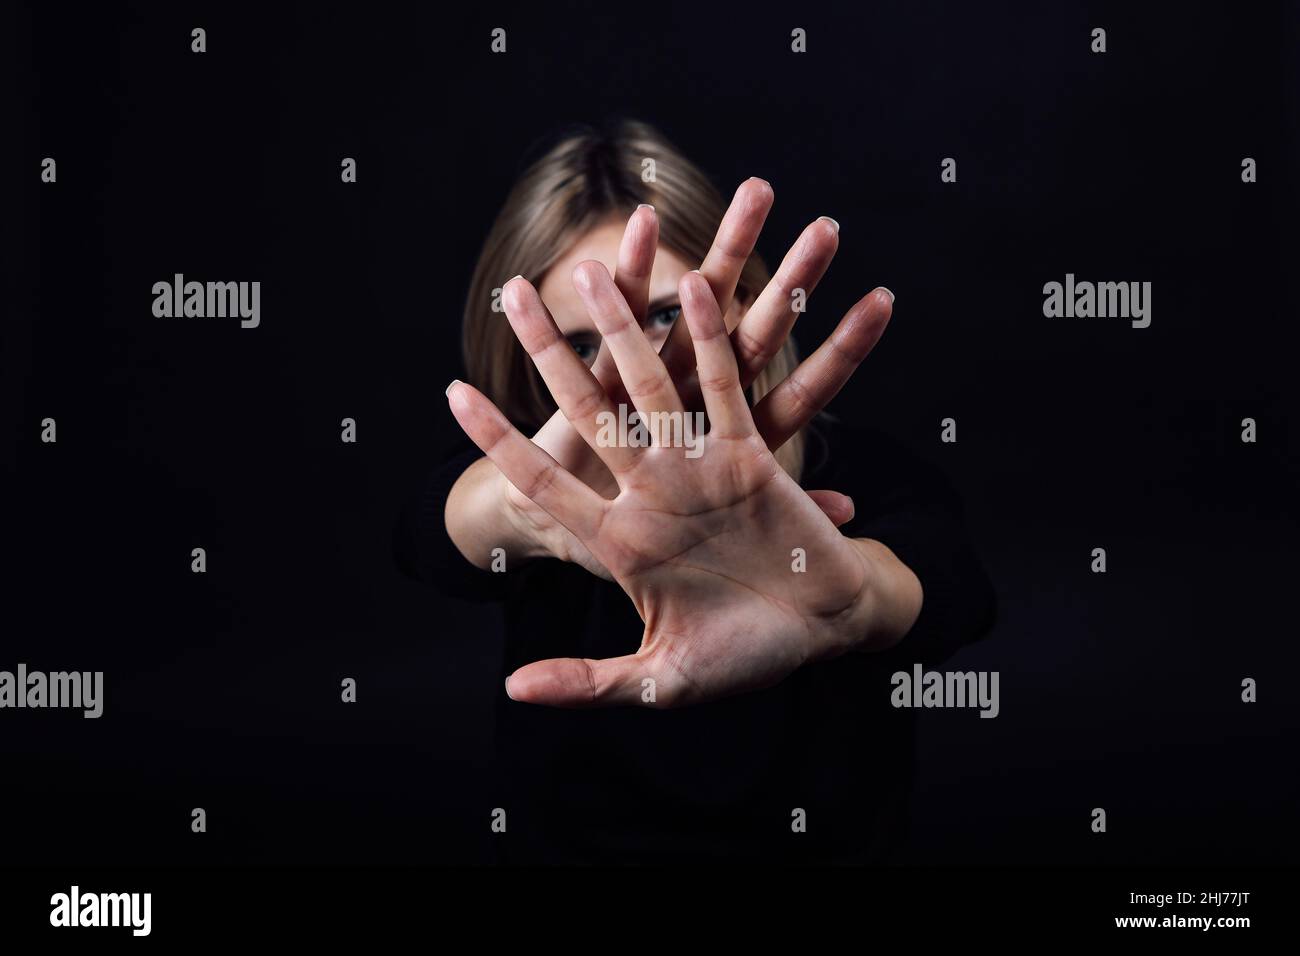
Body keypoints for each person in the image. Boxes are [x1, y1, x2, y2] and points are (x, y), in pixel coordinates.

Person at [395, 120, 996, 863]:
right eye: (582, 344)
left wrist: (855, 600)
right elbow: (430, 533)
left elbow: (952, 583)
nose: (633, 363)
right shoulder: (541, 491)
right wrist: (523, 506)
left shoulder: (866, 472)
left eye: (665, 314)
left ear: (744, 301)